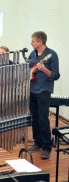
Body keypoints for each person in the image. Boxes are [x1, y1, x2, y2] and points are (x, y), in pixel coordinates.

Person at [27, 31, 60, 159]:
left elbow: (55, 75)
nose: (31, 43)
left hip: (44, 91)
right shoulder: (32, 54)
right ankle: (37, 142)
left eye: (33, 41)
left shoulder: (51, 55)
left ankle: (47, 147)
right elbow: (29, 69)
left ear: (40, 42)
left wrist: (43, 69)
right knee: (34, 118)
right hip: (32, 89)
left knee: (43, 119)